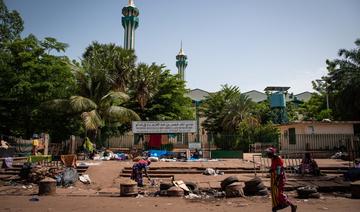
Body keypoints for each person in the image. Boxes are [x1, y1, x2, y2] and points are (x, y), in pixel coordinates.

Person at [265, 147, 297, 212]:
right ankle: (276, 206)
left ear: (272, 153)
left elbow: (279, 171)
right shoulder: (273, 159)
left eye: (268, 153)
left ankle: (291, 205)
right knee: (275, 193)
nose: (267, 155)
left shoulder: (278, 158)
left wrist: (276, 180)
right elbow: (275, 168)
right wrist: (271, 170)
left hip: (280, 178)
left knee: (279, 194)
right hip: (275, 178)